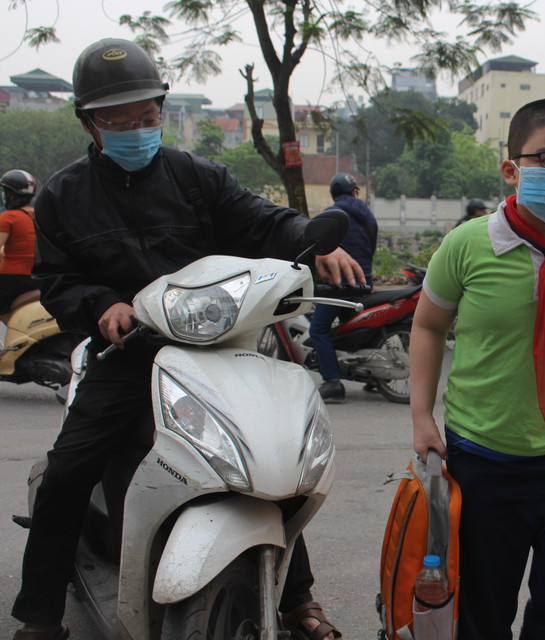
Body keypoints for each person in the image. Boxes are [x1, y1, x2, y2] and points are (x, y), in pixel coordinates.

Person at [10, 38, 360, 640]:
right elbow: (55, 281)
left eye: (146, 117)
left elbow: (264, 220)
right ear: (90, 123)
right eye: (119, 122)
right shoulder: (63, 196)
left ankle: (298, 596)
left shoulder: (198, 177)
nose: (136, 129)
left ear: (161, 110)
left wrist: (312, 237)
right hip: (127, 355)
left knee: (263, 460)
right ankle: (40, 614)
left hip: (216, 349)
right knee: (68, 471)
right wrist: (102, 307)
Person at [410, 98, 545, 640]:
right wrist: (421, 415)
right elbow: (428, 326)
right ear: (512, 170)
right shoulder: (467, 245)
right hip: (482, 463)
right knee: (482, 615)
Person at [309, 172, 378, 403]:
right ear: (355, 192)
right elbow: (371, 247)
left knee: (318, 329)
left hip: (341, 284)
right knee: (354, 329)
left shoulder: (331, 216)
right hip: (364, 281)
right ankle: (371, 374)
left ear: (332, 194)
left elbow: (318, 247)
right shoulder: (368, 215)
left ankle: (332, 382)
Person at [0, 170, 38, 318]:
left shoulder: (9, 217)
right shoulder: (37, 216)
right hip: (36, 275)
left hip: (12, 278)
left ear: (10, 195)